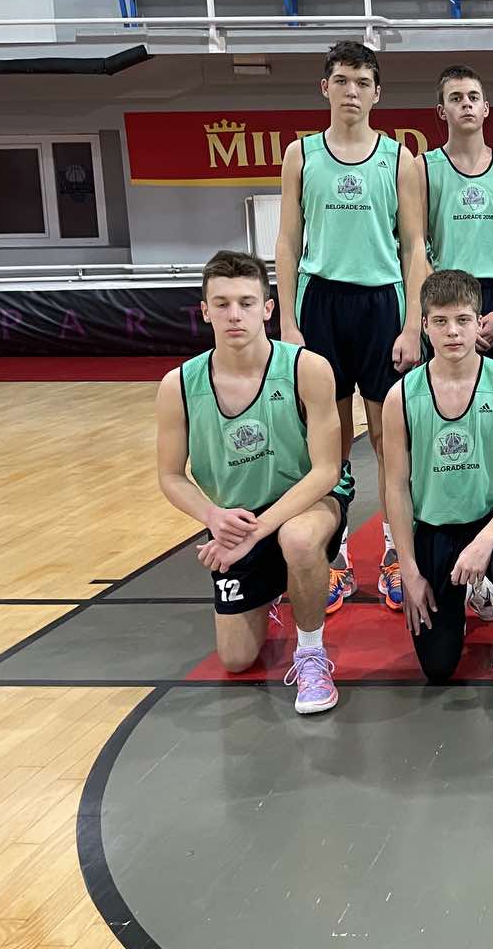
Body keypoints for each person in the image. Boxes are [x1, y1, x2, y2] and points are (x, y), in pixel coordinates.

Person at [156, 250, 355, 714]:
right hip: (238, 514)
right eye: (221, 304)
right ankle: (275, 587)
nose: (234, 315)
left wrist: (257, 532)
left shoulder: (307, 369)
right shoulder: (178, 386)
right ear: (204, 311)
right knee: (237, 659)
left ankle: (311, 655)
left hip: (307, 499)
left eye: (246, 303)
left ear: (267, 309)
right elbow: (170, 476)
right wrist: (213, 516)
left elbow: (327, 470)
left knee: (299, 540)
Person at [274, 40, 423, 616]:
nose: (351, 91)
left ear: (377, 93)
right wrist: (288, 321)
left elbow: (414, 246)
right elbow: (288, 241)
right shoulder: (302, 154)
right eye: (341, 81)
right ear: (325, 88)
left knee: (388, 441)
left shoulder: (399, 158)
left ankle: (392, 550)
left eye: (362, 82)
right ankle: (334, 555)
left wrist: (412, 324)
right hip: (321, 305)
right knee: (328, 443)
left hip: (381, 303)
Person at [382, 270, 493, 686]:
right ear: (424, 325)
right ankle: (475, 589)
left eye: (462, 320)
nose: (452, 331)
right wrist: (408, 570)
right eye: (440, 321)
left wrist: (485, 541)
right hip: (435, 527)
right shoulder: (401, 396)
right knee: (438, 668)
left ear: (478, 322)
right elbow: (396, 488)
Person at [406, 66, 493, 376]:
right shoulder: (423, 167)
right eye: (456, 98)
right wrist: (447, 309)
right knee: (450, 397)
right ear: (442, 111)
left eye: (473, 97)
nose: (466, 104)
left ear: (485, 108)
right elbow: (415, 245)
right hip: (447, 294)